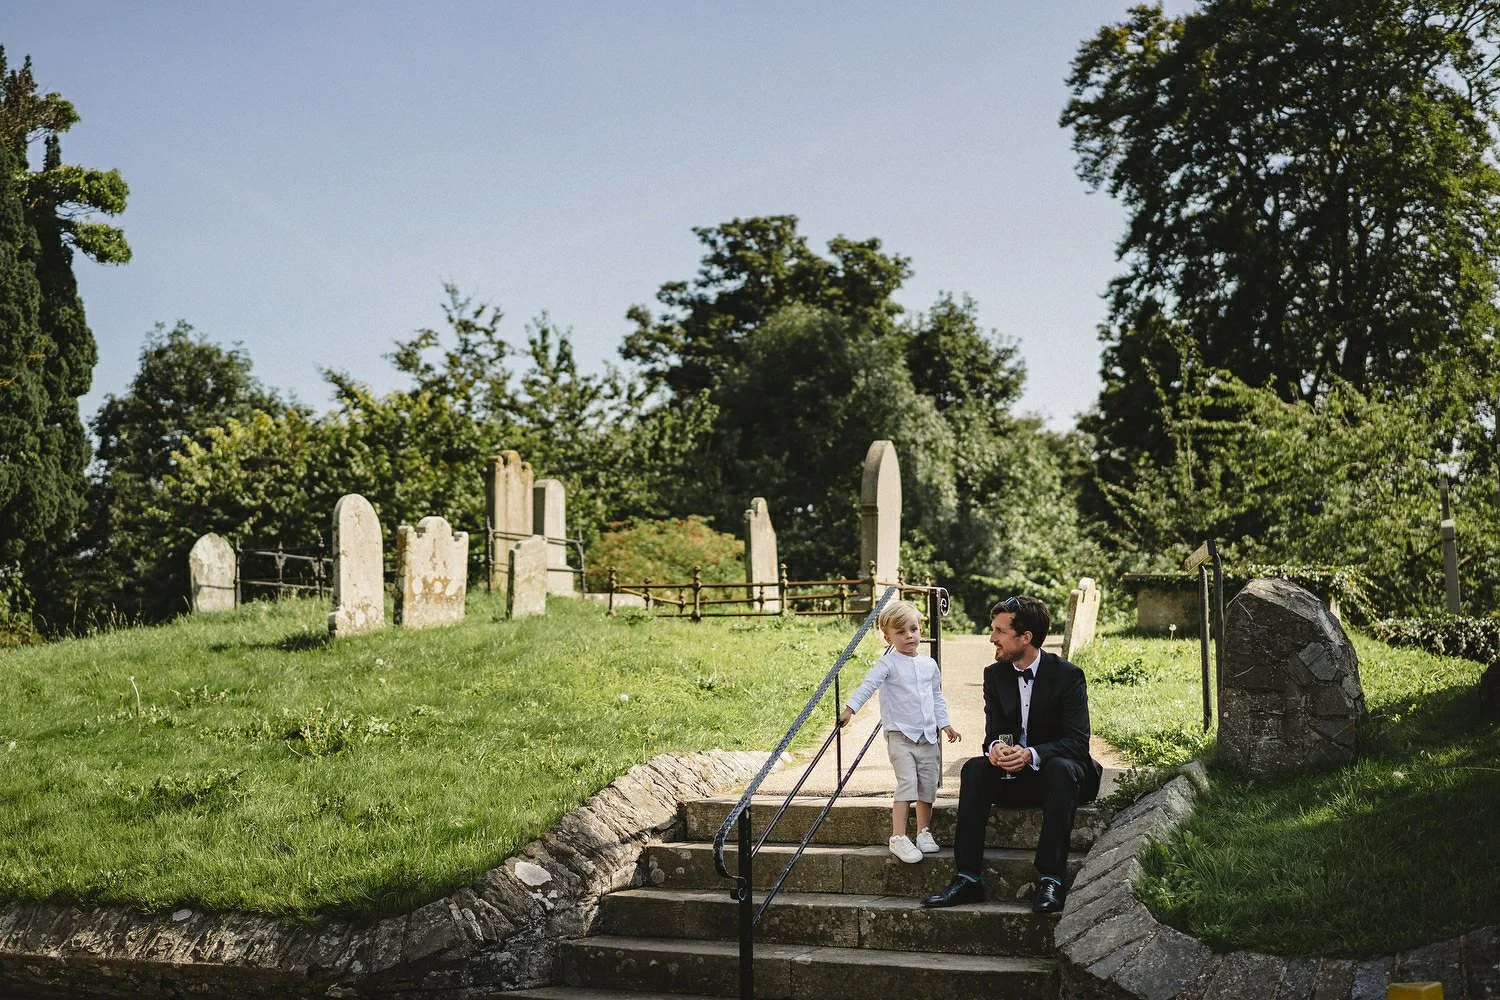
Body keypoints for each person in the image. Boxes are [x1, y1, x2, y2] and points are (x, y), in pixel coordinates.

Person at [922, 595, 1102, 912]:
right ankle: (967, 878)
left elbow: (1077, 743)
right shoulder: (996, 674)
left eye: (1000, 632)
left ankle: (1051, 880)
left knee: (1060, 768)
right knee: (974, 770)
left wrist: (1031, 753)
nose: (992, 638)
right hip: (1014, 778)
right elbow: (994, 732)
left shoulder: (1068, 676)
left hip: (1058, 777)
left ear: (1025, 637)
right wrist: (996, 749)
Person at [839, 599, 962, 863]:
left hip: (928, 738)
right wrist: (850, 709)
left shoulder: (929, 665)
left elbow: (937, 697)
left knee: (927, 785)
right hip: (901, 737)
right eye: (901, 632)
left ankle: (923, 832)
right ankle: (898, 837)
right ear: (888, 637)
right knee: (907, 782)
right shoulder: (888, 664)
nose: (909, 636)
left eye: (914, 629)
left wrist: (945, 723)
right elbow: (868, 686)